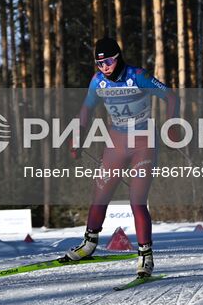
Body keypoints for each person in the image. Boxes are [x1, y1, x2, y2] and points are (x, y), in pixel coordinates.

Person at [64, 36, 178, 279]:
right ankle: (89, 244)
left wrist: (172, 123)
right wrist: (77, 137)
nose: (104, 67)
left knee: (137, 200)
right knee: (100, 194)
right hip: (116, 141)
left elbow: (170, 96)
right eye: (99, 63)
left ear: (118, 58)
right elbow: (86, 109)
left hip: (143, 142)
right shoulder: (97, 82)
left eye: (109, 62)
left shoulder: (138, 76)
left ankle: (145, 257)